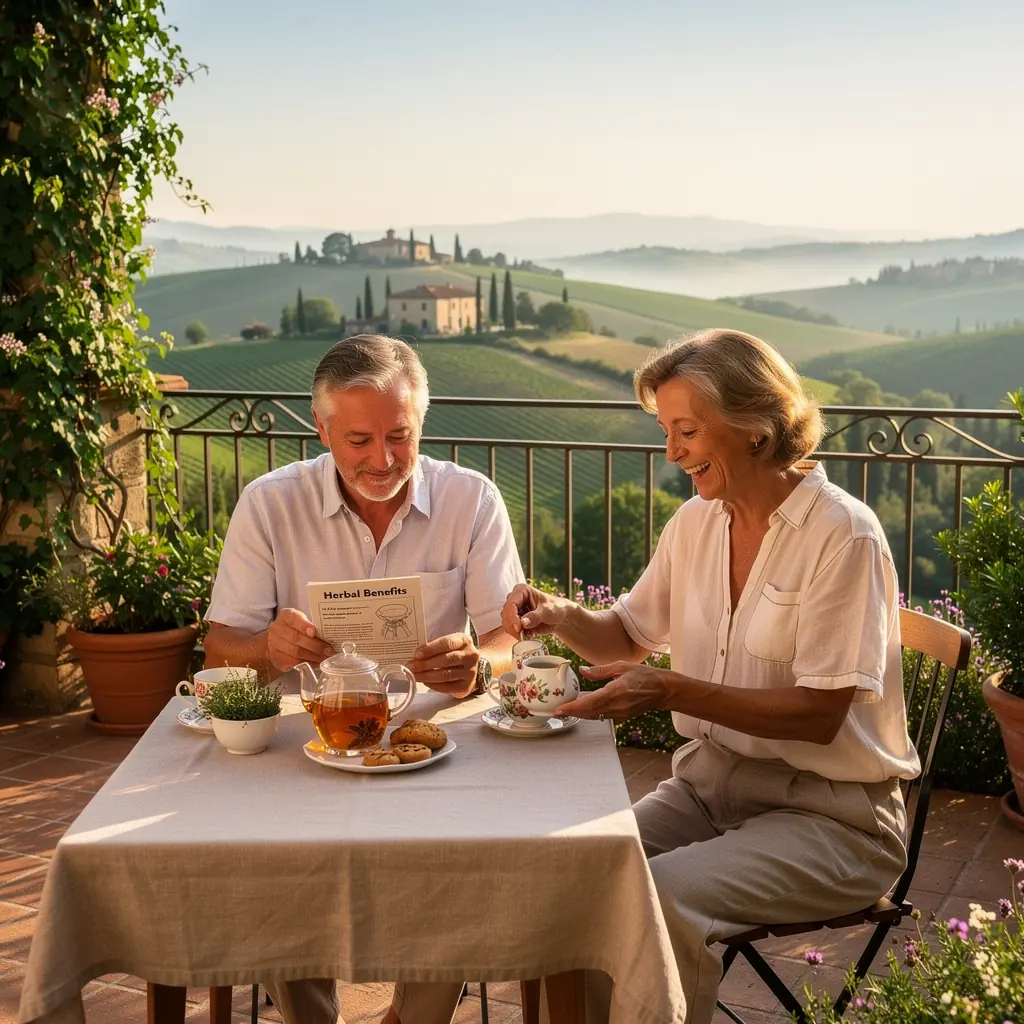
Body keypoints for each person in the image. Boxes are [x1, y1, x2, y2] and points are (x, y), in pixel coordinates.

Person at [501, 328, 918, 1024]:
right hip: (708, 788)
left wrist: (672, 690)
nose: (671, 452)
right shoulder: (695, 523)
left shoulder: (842, 534)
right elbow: (630, 635)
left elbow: (820, 716)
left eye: (686, 430)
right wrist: (559, 614)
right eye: (667, 431)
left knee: (656, 897)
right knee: (568, 875)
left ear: (755, 427)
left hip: (834, 819)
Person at [205, 333, 523, 1024]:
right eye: (358, 440)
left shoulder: (472, 499)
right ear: (321, 429)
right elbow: (220, 649)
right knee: (276, 875)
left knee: (462, 869)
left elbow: (509, 637)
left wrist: (481, 663)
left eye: (399, 437)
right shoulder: (268, 503)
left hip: (431, 740)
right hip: (306, 745)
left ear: (421, 425)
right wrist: (269, 645)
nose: (381, 460)